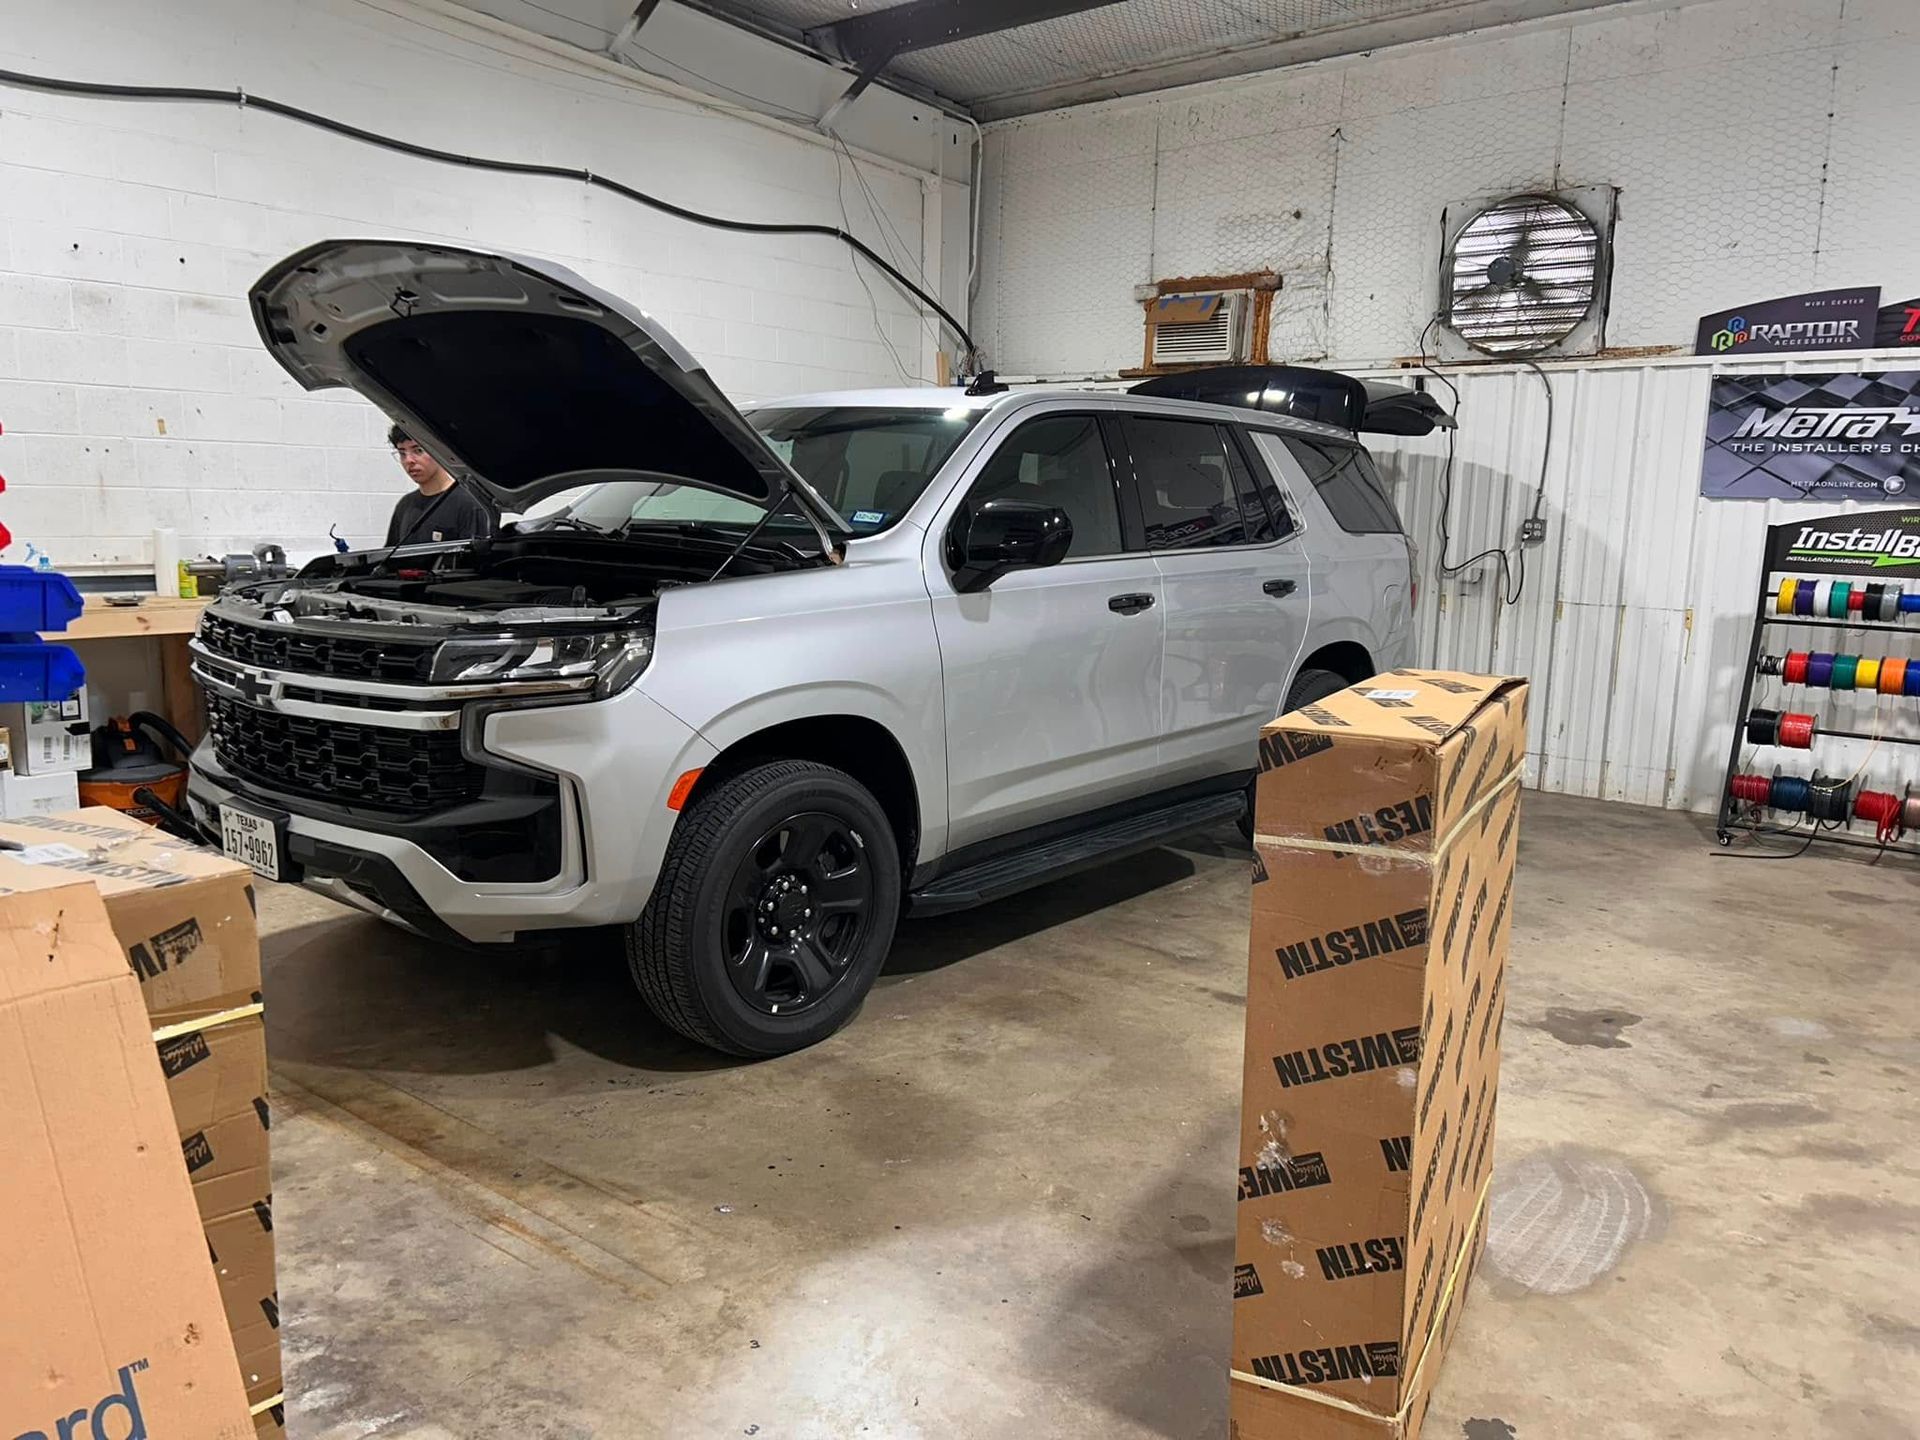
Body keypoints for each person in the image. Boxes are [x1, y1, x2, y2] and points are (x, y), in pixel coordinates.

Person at [384, 424, 494, 547]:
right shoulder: (405, 505)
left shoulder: (469, 504)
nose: (409, 460)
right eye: (402, 453)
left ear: (438, 451)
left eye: (418, 450)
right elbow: (390, 555)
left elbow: (476, 556)